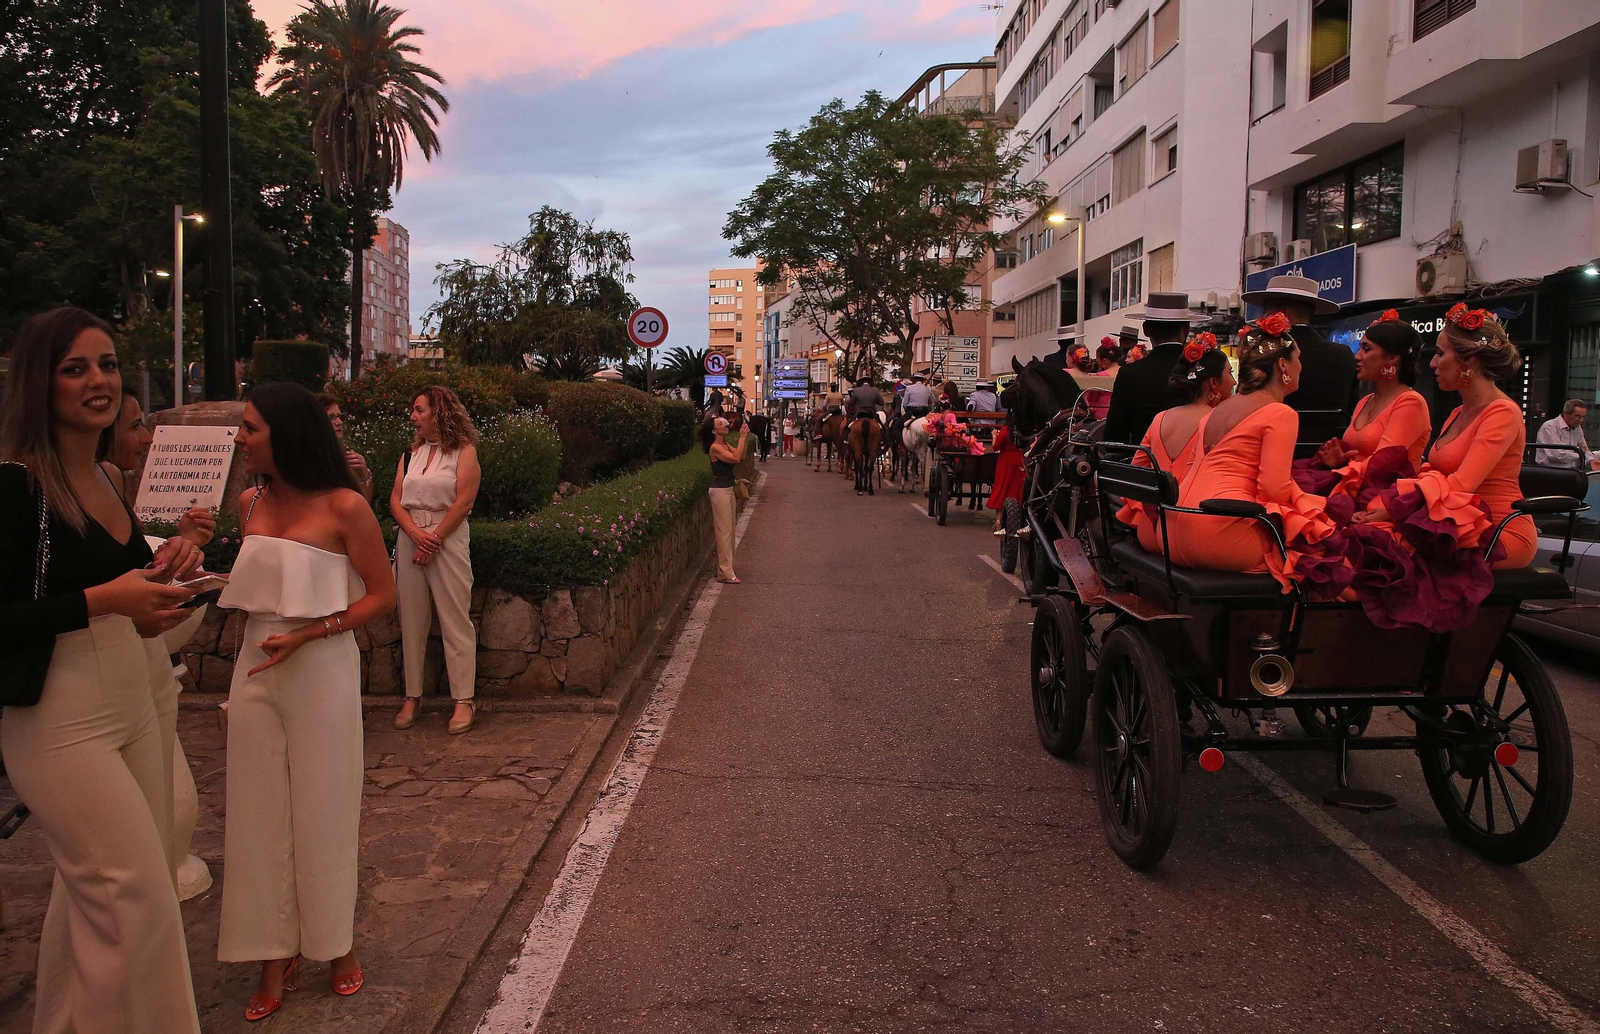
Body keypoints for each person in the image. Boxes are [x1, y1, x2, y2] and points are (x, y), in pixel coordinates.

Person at [0, 307, 204, 1034]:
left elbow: (124, 597)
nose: (99, 381)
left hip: (132, 699)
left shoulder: (111, 477)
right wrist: (102, 599)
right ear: (39, 382)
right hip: (59, 717)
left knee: (88, 900)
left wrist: (169, 567)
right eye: (75, 367)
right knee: (135, 896)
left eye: (108, 365)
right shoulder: (15, 485)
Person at [218, 382, 395, 1021]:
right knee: (256, 814)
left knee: (325, 807)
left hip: (320, 663)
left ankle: (335, 945)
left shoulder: (345, 506)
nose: (240, 437)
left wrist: (312, 632)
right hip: (256, 668)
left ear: (285, 435)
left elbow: (381, 594)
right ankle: (272, 953)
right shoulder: (248, 502)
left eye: (251, 427)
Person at [1354, 303, 1536, 570]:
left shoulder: (1503, 412)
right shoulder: (1458, 412)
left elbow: (1461, 485)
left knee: (1387, 554)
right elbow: (1432, 474)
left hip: (1496, 531)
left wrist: (1395, 511)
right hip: (1450, 521)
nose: (1433, 363)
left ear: (1468, 360)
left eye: (1440, 353)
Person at [1164, 316, 1337, 592]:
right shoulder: (1280, 413)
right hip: (1222, 534)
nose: (1301, 366)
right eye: (1298, 358)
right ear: (1283, 365)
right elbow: (1273, 491)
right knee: (1316, 559)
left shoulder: (1217, 411)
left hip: (1175, 529)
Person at [391, 387, 482, 735]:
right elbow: (396, 501)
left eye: (419, 410)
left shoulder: (464, 452)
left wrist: (434, 539)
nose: (413, 416)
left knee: (454, 617)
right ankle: (412, 695)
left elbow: (464, 502)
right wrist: (415, 534)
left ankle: (463, 699)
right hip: (412, 535)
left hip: (447, 537)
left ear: (439, 412)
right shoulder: (409, 455)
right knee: (411, 619)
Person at [1116, 332, 1235, 552]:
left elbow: (1137, 471)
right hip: (1191, 531)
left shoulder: (1160, 418)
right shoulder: (1217, 423)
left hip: (1150, 531)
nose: (1234, 381)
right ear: (1213, 383)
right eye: (1230, 373)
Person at [1300, 311, 1431, 497]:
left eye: (1366, 349)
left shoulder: (1410, 402)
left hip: (1385, 499)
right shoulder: (1364, 401)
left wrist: (1343, 468)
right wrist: (1337, 460)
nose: (1357, 356)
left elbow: (1382, 464)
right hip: (1352, 489)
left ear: (1392, 357)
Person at [1241, 273, 1357, 424]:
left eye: (1266, 310)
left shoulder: (1263, 352)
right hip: (1330, 443)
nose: (1263, 317)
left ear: (1284, 313)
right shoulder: (1343, 354)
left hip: (1275, 437)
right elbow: (1352, 409)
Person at [1104, 292, 1201, 445]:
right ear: (1187, 329)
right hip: (1197, 464)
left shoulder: (1130, 373)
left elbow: (1114, 436)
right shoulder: (1202, 368)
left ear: (1146, 330)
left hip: (1145, 464)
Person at [703, 416, 749, 583]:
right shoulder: (715, 447)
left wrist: (743, 439)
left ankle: (727, 569)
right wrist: (743, 437)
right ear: (714, 431)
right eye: (720, 424)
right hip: (720, 491)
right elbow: (735, 458)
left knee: (730, 530)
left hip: (728, 488)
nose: (724, 424)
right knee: (724, 532)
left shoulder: (723, 444)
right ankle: (725, 572)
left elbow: (740, 455)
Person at [319, 392, 374, 503]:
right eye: (331, 417)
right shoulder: (308, 457)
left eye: (340, 417)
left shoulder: (346, 456)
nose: (339, 422)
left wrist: (364, 473)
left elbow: (364, 502)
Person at [1535, 398, 1597, 469]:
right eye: (1577, 416)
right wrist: (1579, 453)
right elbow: (1556, 455)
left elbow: (1585, 449)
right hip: (1551, 471)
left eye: (1583, 417)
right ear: (1566, 413)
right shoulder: (1549, 427)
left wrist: (1591, 460)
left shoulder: (1577, 428)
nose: (1581, 420)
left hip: (1573, 471)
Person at [984, 423, 1025, 530]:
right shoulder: (1024, 429)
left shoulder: (1006, 430)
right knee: (1017, 489)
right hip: (1020, 460)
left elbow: (995, 447)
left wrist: (994, 435)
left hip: (1005, 462)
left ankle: (999, 520)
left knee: (1002, 488)